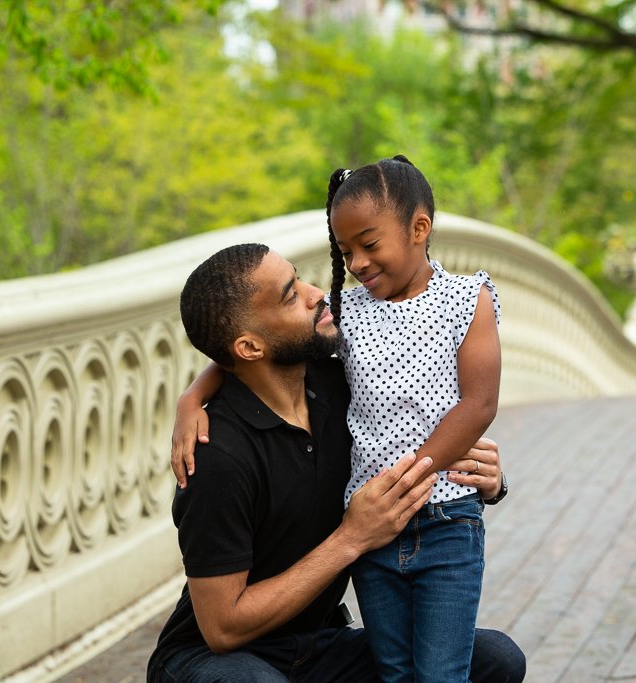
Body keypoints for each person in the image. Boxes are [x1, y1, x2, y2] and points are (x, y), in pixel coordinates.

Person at [170, 156, 503, 680]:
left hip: (319, 641)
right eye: (291, 295)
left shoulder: (334, 384)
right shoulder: (216, 453)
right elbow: (222, 629)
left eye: (301, 279)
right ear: (251, 345)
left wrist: (483, 477)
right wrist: (353, 537)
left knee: (494, 661)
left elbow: (435, 402)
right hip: (222, 659)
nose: (322, 292)